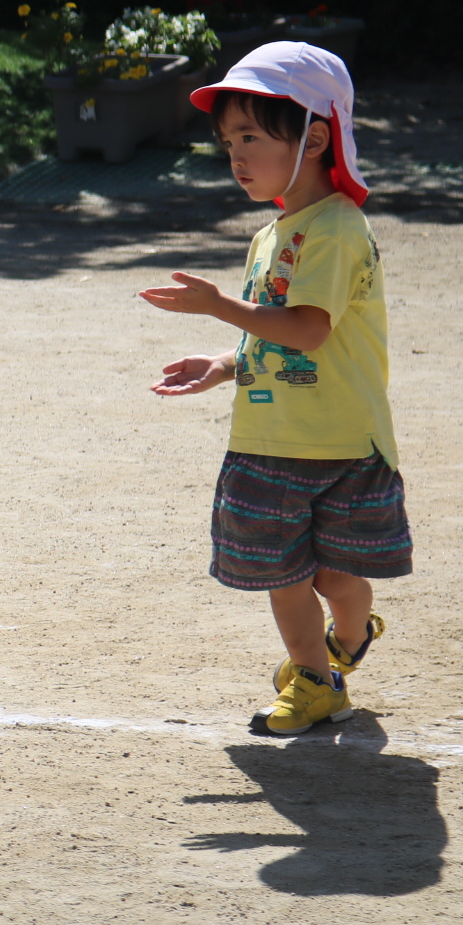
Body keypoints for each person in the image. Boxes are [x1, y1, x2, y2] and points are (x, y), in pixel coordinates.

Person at [141, 42, 408, 735]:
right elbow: (274, 333)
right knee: (282, 573)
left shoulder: (337, 227)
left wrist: (219, 306)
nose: (235, 155)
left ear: (314, 139)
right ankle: (317, 681)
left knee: (333, 579)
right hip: (267, 440)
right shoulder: (270, 236)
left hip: (339, 442)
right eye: (228, 141)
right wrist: (224, 364)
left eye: (251, 137)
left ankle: (352, 632)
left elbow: (310, 329)